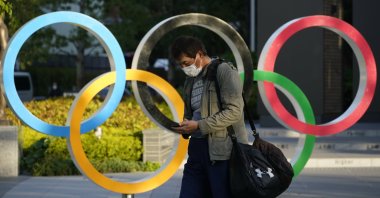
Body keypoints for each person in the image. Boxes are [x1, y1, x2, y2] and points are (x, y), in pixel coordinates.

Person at [170, 36, 249, 198]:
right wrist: (185, 127)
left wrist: (199, 125)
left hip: (224, 152)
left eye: (186, 63)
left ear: (199, 54)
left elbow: (234, 111)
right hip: (197, 149)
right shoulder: (190, 81)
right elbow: (190, 115)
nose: (184, 68)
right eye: (180, 65)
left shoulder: (224, 70)